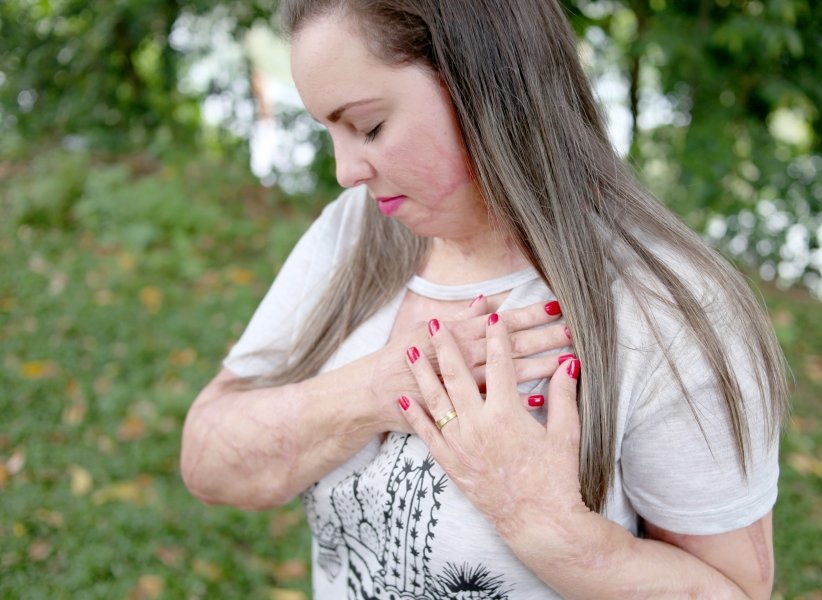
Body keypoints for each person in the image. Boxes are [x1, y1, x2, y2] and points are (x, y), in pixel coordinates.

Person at [180, 1, 789, 597]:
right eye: (332, 131)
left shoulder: (666, 314)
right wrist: (379, 388)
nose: (346, 172)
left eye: (369, 127)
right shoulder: (355, 232)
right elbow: (208, 461)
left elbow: (736, 589)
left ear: (484, 83)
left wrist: (551, 530)